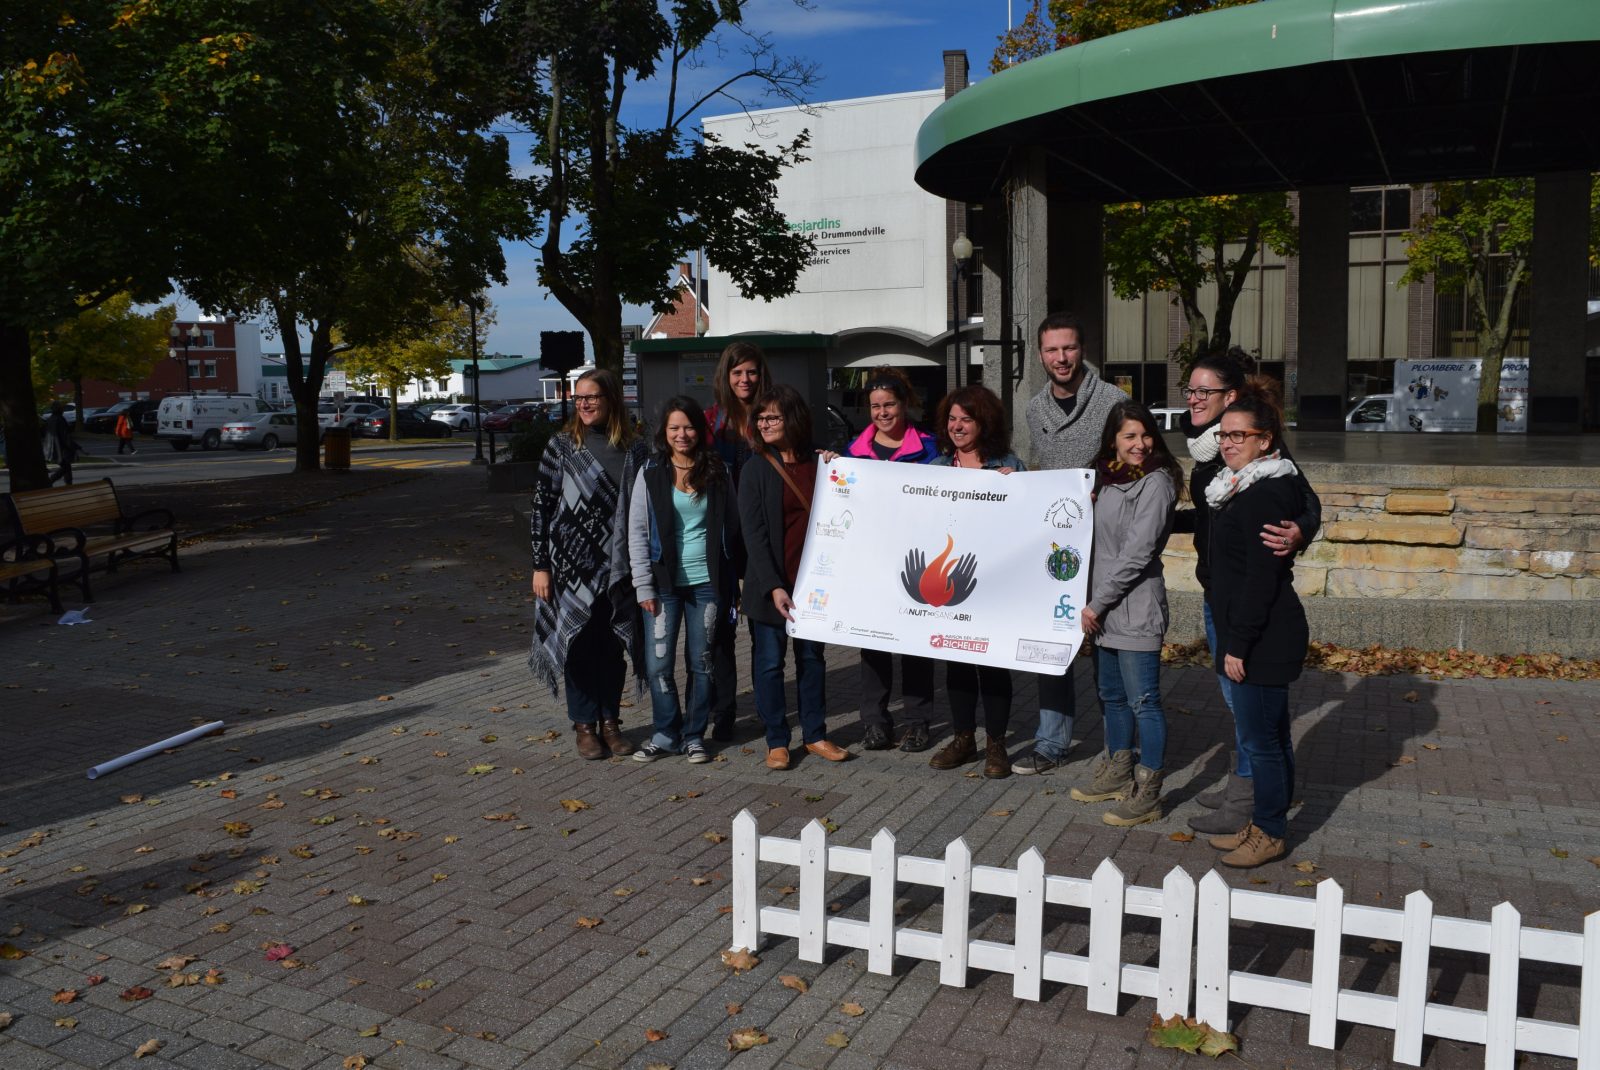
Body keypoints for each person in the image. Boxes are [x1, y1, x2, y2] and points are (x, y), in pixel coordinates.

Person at [1175, 349, 1321, 835]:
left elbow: (1304, 500)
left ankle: (1250, 799)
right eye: (1190, 390)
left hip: (1243, 599)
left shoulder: (1256, 453)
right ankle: (1250, 787)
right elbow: (1209, 519)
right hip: (1217, 590)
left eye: (1205, 391)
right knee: (1238, 704)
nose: (1194, 399)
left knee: (1248, 709)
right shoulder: (1204, 449)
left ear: (1230, 396)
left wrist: (1301, 529)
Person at [1203, 387, 1309, 868]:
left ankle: (1269, 830)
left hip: (1263, 636)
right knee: (1273, 735)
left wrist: (1237, 644)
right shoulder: (1241, 485)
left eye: (1238, 435)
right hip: (1258, 630)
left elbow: (1260, 577)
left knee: (1261, 741)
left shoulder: (1264, 492)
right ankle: (1269, 819)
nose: (1228, 443)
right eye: (1223, 435)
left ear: (1266, 441)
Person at [1014, 312, 1121, 776]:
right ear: (1040, 355)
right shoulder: (1035, 409)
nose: (1061, 358)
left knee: (1107, 648)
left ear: (1083, 349)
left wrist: (1106, 486)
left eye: (1069, 348)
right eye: (1052, 350)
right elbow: (1041, 473)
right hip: (1057, 547)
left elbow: (1135, 463)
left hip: (1106, 544)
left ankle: (1120, 751)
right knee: (1052, 645)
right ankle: (1052, 743)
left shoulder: (1113, 402)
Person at [1069, 401, 1182, 826]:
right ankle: (1118, 771)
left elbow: (1137, 554)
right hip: (1102, 610)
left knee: (1144, 702)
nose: (1140, 444)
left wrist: (1097, 603)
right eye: (1129, 436)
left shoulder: (1155, 483)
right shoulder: (1106, 481)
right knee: (1111, 697)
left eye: (1145, 435)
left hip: (1132, 608)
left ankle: (1149, 792)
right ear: (1113, 441)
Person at [529, 368, 648, 761]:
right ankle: (584, 725)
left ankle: (611, 723)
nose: (584, 404)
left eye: (592, 396)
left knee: (613, 646)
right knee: (578, 645)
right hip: (569, 569)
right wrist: (539, 565)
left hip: (619, 570)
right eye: (579, 397)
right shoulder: (561, 446)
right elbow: (541, 509)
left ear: (612, 399)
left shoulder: (636, 449)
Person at [737, 384, 849, 771]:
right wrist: (774, 586)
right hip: (771, 587)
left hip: (813, 586)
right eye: (761, 418)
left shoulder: (822, 463)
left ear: (793, 419)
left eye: (773, 417)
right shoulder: (754, 468)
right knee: (769, 664)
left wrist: (841, 467)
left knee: (812, 660)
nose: (764, 424)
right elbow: (753, 534)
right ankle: (777, 741)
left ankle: (815, 734)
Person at [625, 397, 739, 764]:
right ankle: (664, 732)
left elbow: (733, 529)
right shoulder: (651, 472)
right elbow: (637, 531)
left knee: (702, 662)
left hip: (707, 582)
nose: (681, 434)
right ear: (664, 432)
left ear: (699, 430)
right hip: (662, 584)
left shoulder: (718, 471)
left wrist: (734, 582)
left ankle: (694, 735)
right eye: (674, 427)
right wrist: (643, 584)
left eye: (688, 426)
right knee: (658, 664)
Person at [926, 385, 1026, 779]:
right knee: (957, 664)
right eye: (952, 418)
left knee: (993, 665)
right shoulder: (936, 469)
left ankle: (996, 745)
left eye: (966, 418)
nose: (957, 426)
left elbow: (1027, 525)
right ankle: (963, 738)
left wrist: (1015, 488)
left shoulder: (1009, 467)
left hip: (994, 585)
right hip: (953, 585)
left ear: (985, 422)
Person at [844, 367, 938, 753]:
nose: (882, 412)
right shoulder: (852, 453)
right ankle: (876, 723)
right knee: (874, 646)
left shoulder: (931, 448)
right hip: (874, 561)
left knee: (916, 644)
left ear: (904, 404)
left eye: (890, 404)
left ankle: (917, 722)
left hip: (918, 560)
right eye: (876, 406)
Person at [703, 341, 770, 741]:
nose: (745, 380)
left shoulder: (776, 418)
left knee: (764, 629)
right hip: (723, 542)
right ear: (726, 378)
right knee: (720, 632)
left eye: (752, 372)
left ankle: (767, 708)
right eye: (737, 373)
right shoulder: (711, 422)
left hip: (765, 540)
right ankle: (723, 710)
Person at [44, 403, 79, 486]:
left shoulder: (50, 419)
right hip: (61, 449)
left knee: (67, 466)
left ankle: (68, 484)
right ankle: (50, 481)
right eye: (62, 409)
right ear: (59, 410)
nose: (63, 410)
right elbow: (64, 436)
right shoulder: (60, 420)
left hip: (52, 449)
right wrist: (75, 447)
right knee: (66, 467)